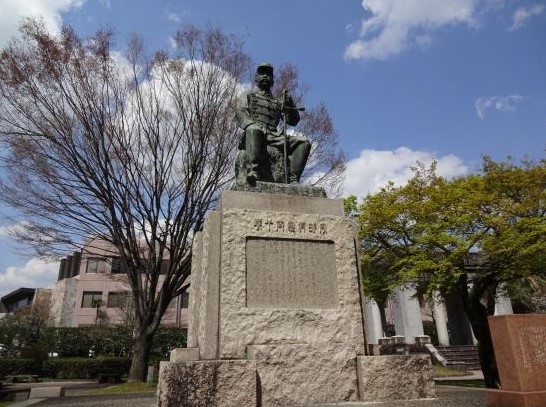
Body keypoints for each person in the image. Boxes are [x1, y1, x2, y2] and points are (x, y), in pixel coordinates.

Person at [235, 63, 311, 184]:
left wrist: (290, 103)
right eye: (262, 74)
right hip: (255, 135)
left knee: (303, 142)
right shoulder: (249, 95)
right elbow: (240, 112)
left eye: (268, 74)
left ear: (273, 80)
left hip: (274, 137)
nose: (265, 76)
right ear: (256, 78)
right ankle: (253, 171)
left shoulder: (276, 102)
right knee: (254, 130)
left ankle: (293, 179)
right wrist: (250, 124)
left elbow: (293, 121)